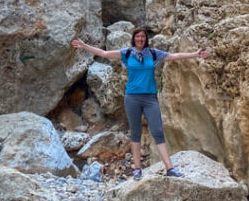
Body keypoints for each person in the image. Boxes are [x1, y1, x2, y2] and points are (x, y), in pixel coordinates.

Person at [71, 28, 209, 179]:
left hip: (150, 99)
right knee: (135, 133)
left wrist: (195, 54)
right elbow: (104, 54)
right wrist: (84, 46)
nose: (140, 39)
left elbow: (174, 56)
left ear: (146, 39)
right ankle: (137, 169)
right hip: (132, 98)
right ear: (134, 38)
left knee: (157, 132)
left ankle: (170, 168)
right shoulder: (127, 53)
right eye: (138, 36)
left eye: (143, 36)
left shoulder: (153, 53)